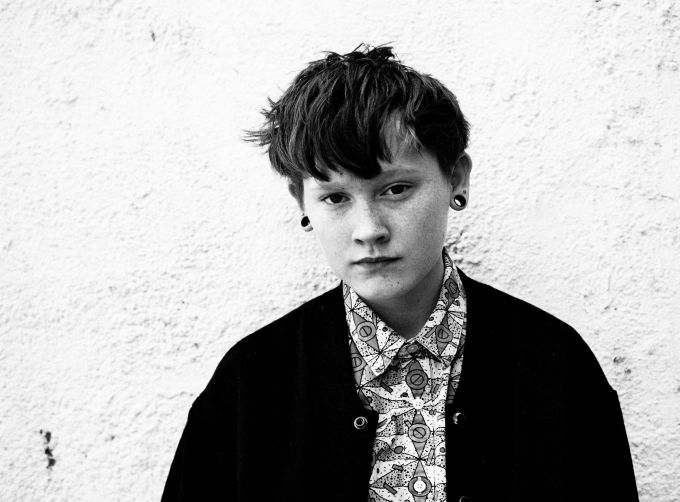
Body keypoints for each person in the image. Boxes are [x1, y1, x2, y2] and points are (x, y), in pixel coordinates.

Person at [162, 44, 639, 502]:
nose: (369, 230)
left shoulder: (557, 366)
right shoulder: (250, 384)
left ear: (456, 178)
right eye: (335, 197)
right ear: (301, 201)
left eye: (396, 189)